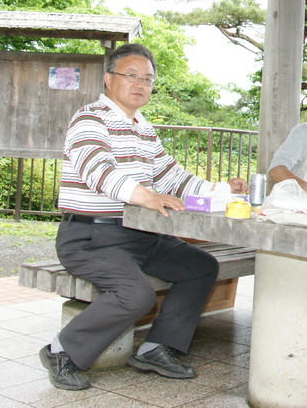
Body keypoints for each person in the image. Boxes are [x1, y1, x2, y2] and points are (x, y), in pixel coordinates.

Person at [40, 43, 246, 390]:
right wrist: (146, 196)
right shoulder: (90, 118)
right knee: (136, 295)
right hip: (90, 239)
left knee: (201, 267)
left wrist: (222, 190)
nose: (140, 84)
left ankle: (156, 347)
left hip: (141, 235)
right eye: (131, 75)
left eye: (148, 79)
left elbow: (174, 177)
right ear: (109, 79)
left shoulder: (144, 129)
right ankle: (61, 351)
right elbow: (98, 171)